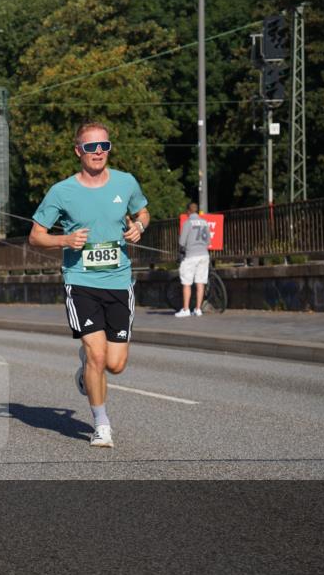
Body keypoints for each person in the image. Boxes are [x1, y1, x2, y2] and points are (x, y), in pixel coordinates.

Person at [29, 121, 150, 449]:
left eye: (104, 147)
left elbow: (143, 212)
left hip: (119, 281)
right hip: (80, 282)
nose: (98, 153)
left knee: (116, 364)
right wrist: (65, 240)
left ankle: (86, 369)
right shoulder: (62, 191)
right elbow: (36, 235)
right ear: (78, 151)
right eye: (91, 147)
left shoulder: (126, 182)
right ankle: (101, 424)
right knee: (98, 356)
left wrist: (139, 225)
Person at [176, 201, 211, 318]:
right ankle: (198, 309)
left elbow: (182, 242)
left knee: (187, 282)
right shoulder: (205, 222)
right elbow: (208, 241)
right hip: (204, 255)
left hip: (191, 255)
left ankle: (186, 309)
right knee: (200, 282)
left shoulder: (188, 223)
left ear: (188, 211)